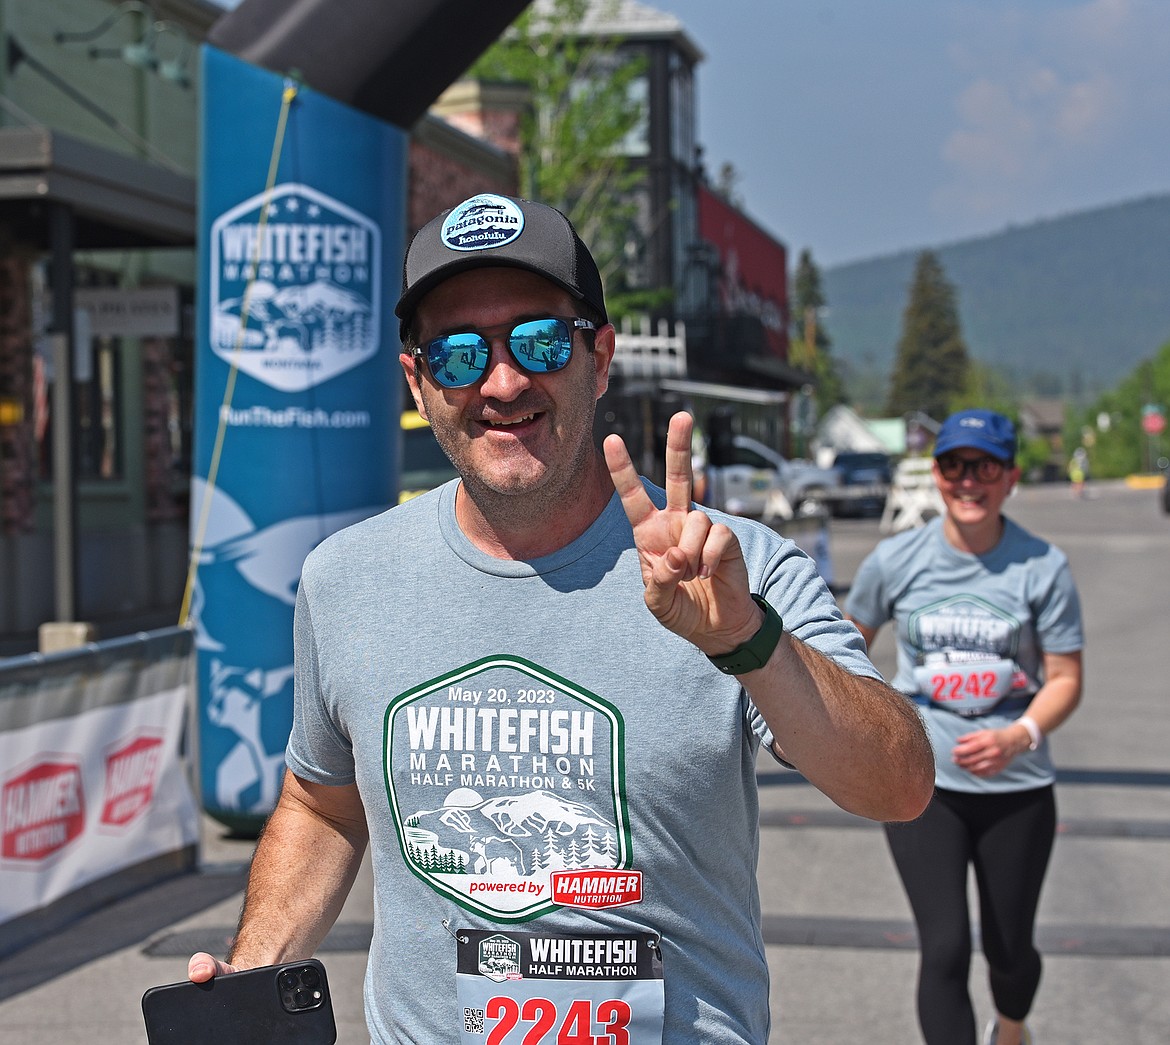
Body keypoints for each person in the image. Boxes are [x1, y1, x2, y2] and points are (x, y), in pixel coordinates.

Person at [188, 193, 933, 1044]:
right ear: (419, 381)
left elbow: (899, 784)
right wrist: (249, 977)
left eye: (540, 341)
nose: (502, 382)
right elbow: (323, 807)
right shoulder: (346, 579)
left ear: (600, 357)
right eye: (459, 352)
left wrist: (745, 640)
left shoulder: (732, 568)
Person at [845, 409, 1084, 1045]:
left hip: (1018, 790)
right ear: (938, 474)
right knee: (945, 947)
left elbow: (1064, 678)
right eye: (954, 466)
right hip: (922, 787)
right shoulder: (896, 560)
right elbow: (841, 651)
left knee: (1010, 954)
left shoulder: (1042, 567)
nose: (968, 481)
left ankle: (1011, 1025)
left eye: (985, 467)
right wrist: (874, 724)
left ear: (1011, 477)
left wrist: (1019, 736)